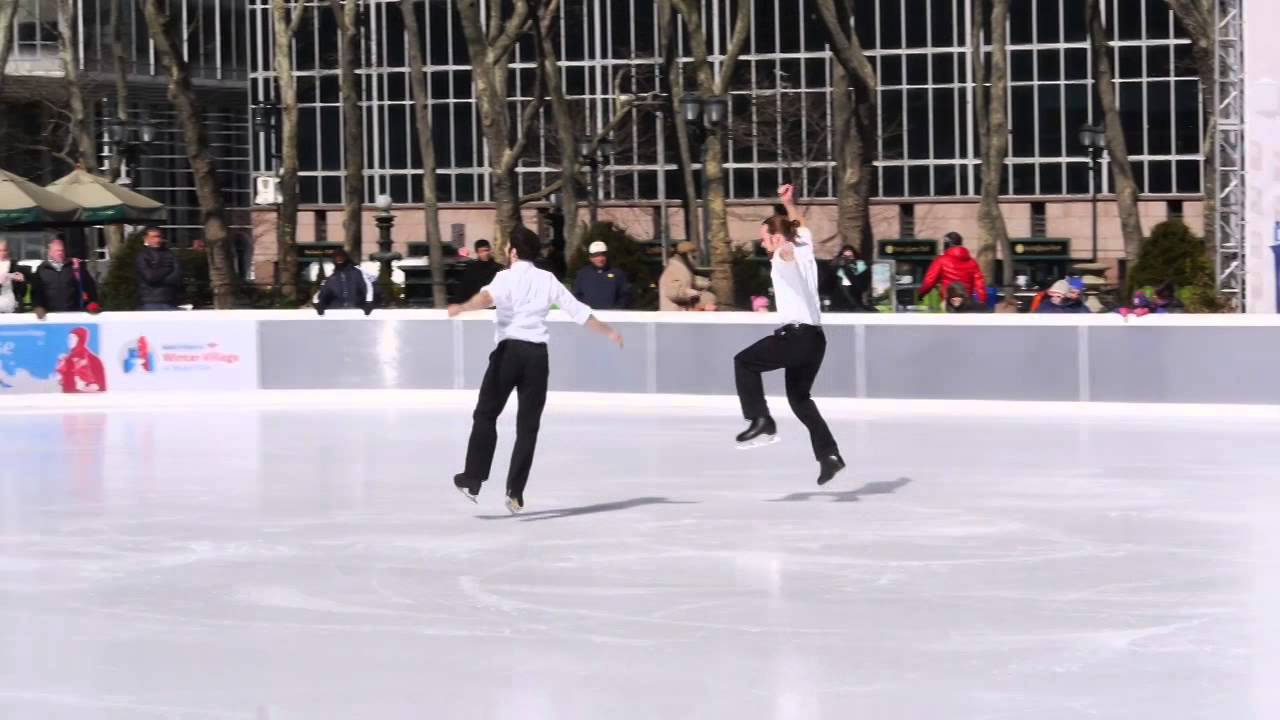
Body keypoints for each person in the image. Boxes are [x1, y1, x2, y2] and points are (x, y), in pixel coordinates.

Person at [449, 225, 624, 515]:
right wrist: (608, 331)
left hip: (508, 353)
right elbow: (577, 310)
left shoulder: (504, 277)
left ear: (514, 252)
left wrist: (463, 306)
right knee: (527, 427)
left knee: (486, 414)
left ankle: (473, 478)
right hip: (537, 358)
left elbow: (486, 299)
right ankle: (515, 492)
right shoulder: (548, 279)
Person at [733, 184, 845, 487]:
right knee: (799, 398)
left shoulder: (785, 255)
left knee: (744, 362)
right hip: (816, 341)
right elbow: (802, 227)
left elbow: (786, 252)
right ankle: (829, 455)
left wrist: (783, 251)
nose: (761, 243)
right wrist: (789, 202)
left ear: (778, 237)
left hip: (796, 338)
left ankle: (761, 420)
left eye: (763, 237)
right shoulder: (804, 244)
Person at [32, 239, 98, 316]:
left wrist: (92, 303)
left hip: (74, 316)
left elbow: (89, 286)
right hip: (50, 317)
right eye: (57, 250)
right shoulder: (41, 270)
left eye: (62, 250)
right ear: (50, 252)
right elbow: (36, 292)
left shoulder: (76, 267)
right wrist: (38, 306)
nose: (60, 253)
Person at [918, 231, 988, 305]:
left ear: (947, 244)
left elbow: (930, 280)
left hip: (948, 301)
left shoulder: (941, 261)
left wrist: (922, 294)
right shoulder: (972, 262)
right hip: (966, 302)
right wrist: (982, 301)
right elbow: (980, 283)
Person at [572, 240, 631, 309]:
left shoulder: (618, 273)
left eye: (602, 255)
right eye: (596, 256)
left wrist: (616, 311)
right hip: (589, 316)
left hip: (612, 317)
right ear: (590, 258)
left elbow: (625, 296)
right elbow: (577, 295)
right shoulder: (582, 274)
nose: (600, 259)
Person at [659, 241, 717, 311]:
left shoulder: (683, 269)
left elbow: (686, 285)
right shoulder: (675, 269)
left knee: (709, 297)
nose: (695, 259)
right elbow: (674, 293)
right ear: (687, 254)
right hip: (675, 315)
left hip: (681, 314)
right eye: (693, 256)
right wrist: (696, 294)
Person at [136, 226, 183, 310]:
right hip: (149, 301)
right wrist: (167, 268)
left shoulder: (171, 254)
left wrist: (158, 278)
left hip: (170, 300)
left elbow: (177, 277)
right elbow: (150, 277)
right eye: (154, 237)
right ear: (146, 239)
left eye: (159, 236)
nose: (157, 240)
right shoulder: (143, 256)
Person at [314, 249, 374, 315]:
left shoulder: (357, 272)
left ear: (346, 258)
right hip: (337, 312)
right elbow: (323, 293)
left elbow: (367, 287)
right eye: (336, 257)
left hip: (356, 311)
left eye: (341, 257)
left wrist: (368, 302)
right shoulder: (331, 277)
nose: (339, 259)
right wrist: (321, 304)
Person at [56, 327, 107, 393]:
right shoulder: (67, 359)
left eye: (73, 338)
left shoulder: (93, 360)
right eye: (69, 338)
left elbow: (100, 387)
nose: (69, 341)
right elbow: (63, 384)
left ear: (80, 339)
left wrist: (83, 387)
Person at [827, 244, 872, 311]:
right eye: (845, 256)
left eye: (850, 256)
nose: (847, 259)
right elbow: (830, 281)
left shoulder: (860, 265)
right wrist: (838, 265)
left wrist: (849, 268)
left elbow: (861, 284)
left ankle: (857, 305)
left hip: (856, 293)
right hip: (839, 300)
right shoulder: (837, 267)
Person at [0, 240, 28, 314]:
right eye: (0, 251)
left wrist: (22, 282)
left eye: (4, 250)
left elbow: (23, 292)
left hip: (12, 306)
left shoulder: (16, 266)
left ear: (8, 251)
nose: (2, 253)